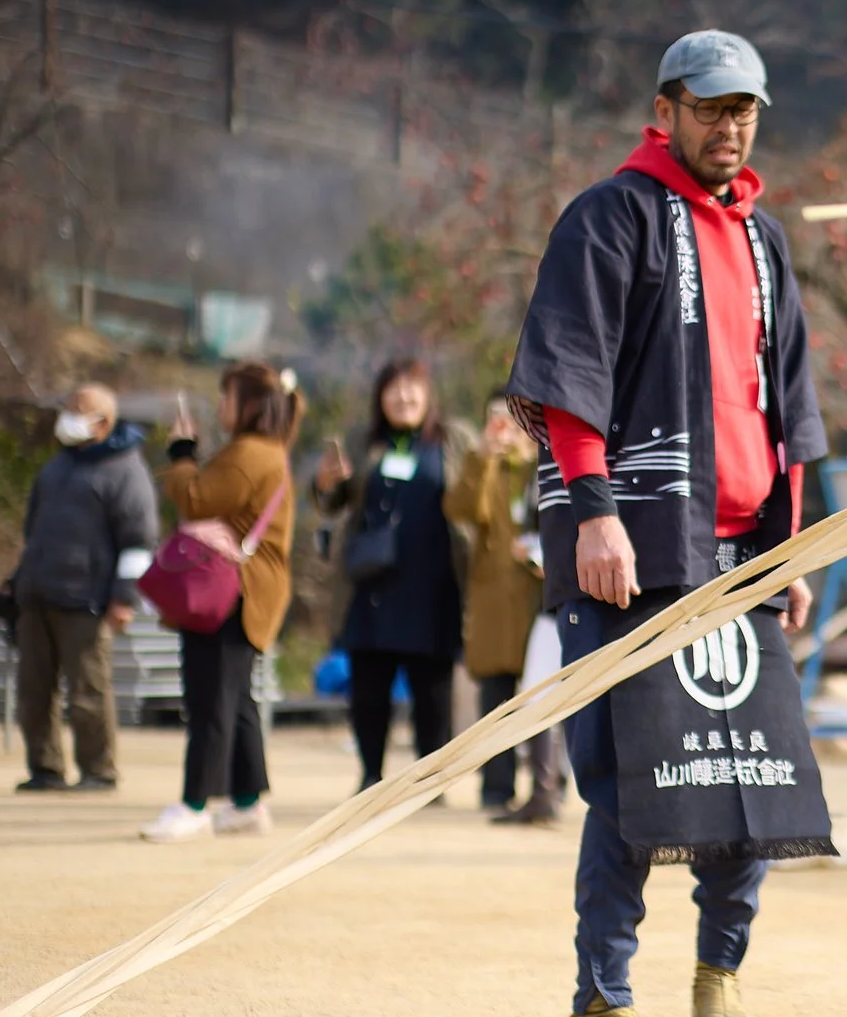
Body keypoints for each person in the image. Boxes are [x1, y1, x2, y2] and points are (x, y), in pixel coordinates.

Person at [508, 28, 827, 1017]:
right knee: (630, 780)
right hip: (635, 548)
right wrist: (595, 512)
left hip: (743, 552)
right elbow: (566, 382)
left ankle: (720, 966)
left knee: (753, 769)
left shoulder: (765, 241)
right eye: (709, 108)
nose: (728, 127)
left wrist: (792, 554)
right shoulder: (610, 218)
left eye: (743, 111)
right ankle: (600, 1000)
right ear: (666, 108)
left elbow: (787, 419)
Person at [143, 362, 300, 842]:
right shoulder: (265, 451)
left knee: (210, 697)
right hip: (249, 589)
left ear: (250, 404)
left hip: (232, 591)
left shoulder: (250, 452)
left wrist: (182, 454)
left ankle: (194, 804)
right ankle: (247, 803)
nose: (219, 405)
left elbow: (196, 499)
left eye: (226, 396)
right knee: (235, 702)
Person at [313, 359, 466, 792]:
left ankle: (431, 779)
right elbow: (333, 501)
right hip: (373, 584)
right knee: (369, 687)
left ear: (428, 395)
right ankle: (370, 774)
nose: (404, 398)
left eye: (412, 389)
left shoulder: (452, 441)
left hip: (434, 582)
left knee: (433, 688)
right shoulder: (363, 442)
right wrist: (325, 484)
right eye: (394, 390)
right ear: (380, 397)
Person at [8, 383, 158, 791]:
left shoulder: (127, 470)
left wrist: (124, 597)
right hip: (39, 594)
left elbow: (139, 541)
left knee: (89, 691)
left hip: (87, 601)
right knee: (33, 691)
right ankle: (45, 768)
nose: (68, 415)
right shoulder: (57, 466)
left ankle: (99, 770)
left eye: (79, 409)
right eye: (69, 406)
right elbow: (32, 529)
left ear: (104, 422)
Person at [444, 393, 559, 818]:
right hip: (494, 603)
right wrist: (482, 458)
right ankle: (497, 785)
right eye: (494, 419)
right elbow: (460, 509)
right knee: (495, 697)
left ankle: (549, 785)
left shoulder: (537, 467)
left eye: (510, 420)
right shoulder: (486, 468)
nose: (502, 429)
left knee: (543, 694)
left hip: (535, 600)